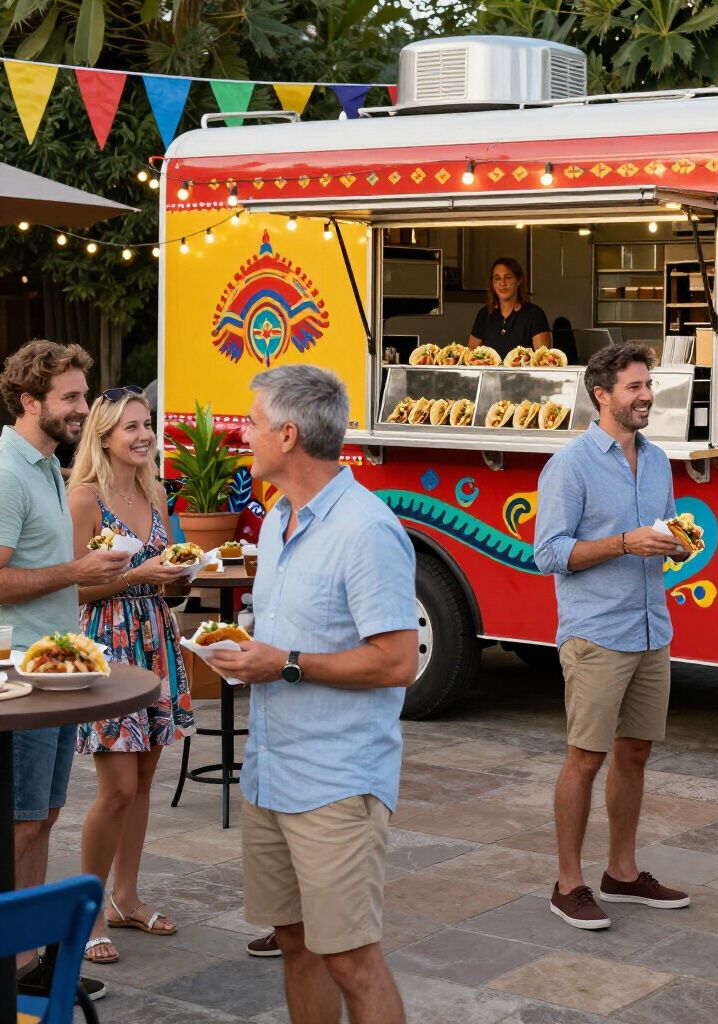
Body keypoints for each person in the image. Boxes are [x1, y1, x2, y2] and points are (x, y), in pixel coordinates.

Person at [207, 364, 418, 1024]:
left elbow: (398, 662)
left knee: (353, 960)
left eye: (256, 423)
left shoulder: (367, 529)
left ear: (289, 434)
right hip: (273, 773)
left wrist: (287, 663)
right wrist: (251, 654)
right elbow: (289, 638)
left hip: (336, 781)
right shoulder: (277, 519)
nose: (245, 435)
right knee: (295, 944)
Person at [534, 342, 690, 930]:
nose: (647, 394)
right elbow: (548, 552)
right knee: (585, 757)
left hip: (651, 628)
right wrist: (626, 542)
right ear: (603, 395)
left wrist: (674, 542)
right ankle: (567, 883)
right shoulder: (570, 465)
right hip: (596, 633)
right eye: (634, 387)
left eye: (647, 384)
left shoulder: (656, 461)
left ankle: (621, 873)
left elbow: (663, 531)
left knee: (637, 751)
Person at [0, 340, 132, 1002]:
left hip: (51, 673)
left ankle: (25, 956)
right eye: (71, 398)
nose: (85, 408)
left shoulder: (48, 465)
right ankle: (15, 962)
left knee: (44, 815)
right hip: (16, 680)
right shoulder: (6, 469)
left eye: (84, 395)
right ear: (30, 401)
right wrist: (78, 572)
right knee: (24, 820)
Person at [67, 385, 196, 965]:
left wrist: (182, 577)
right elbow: (76, 585)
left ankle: (126, 898)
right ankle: (87, 914)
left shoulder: (155, 489)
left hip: (156, 638)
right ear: (105, 436)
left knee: (144, 782)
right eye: (131, 428)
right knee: (116, 788)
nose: (145, 435)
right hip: (107, 645)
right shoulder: (84, 499)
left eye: (148, 424)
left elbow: (168, 577)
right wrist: (139, 573)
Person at [466, 256, 552, 357]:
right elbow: (469, 356)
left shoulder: (535, 314)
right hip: (491, 373)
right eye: (497, 278)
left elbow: (543, 360)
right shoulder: (484, 314)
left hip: (523, 373)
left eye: (508, 277)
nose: (502, 283)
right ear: (492, 283)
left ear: (519, 280)